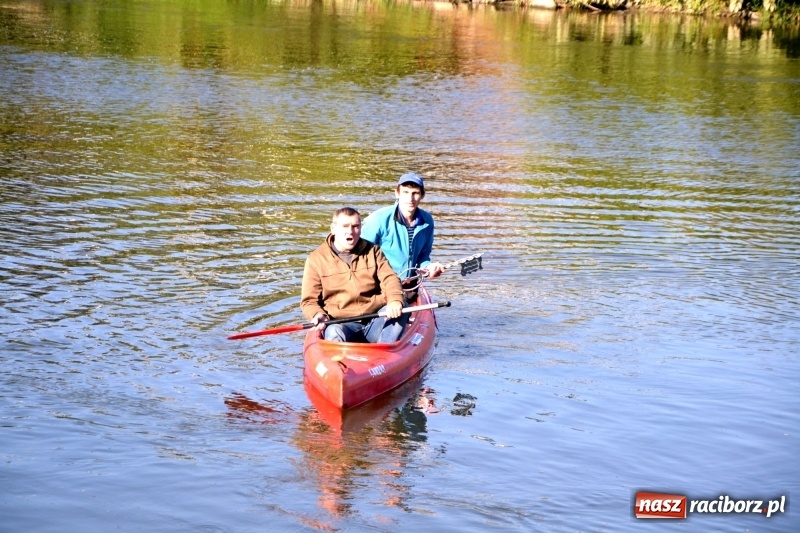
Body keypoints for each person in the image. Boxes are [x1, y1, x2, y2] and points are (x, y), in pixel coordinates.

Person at [300, 207, 405, 343]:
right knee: (333, 332)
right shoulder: (316, 259)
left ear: (361, 228)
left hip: (376, 318)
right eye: (345, 226)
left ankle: (384, 352)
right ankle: (338, 360)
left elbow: (390, 278)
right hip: (341, 324)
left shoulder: (373, 251)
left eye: (355, 226)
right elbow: (309, 301)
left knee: (403, 307)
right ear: (333, 228)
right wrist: (316, 314)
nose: (350, 231)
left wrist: (395, 300)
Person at [361, 172, 445, 288]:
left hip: (409, 283)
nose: (410, 199)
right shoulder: (378, 219)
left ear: (422, 195)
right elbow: (361, 256)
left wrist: (429, 267)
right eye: (405, 192)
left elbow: (423, 255)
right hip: (381, 284)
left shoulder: (427, 221)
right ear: (397, 193)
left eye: (415, 193)